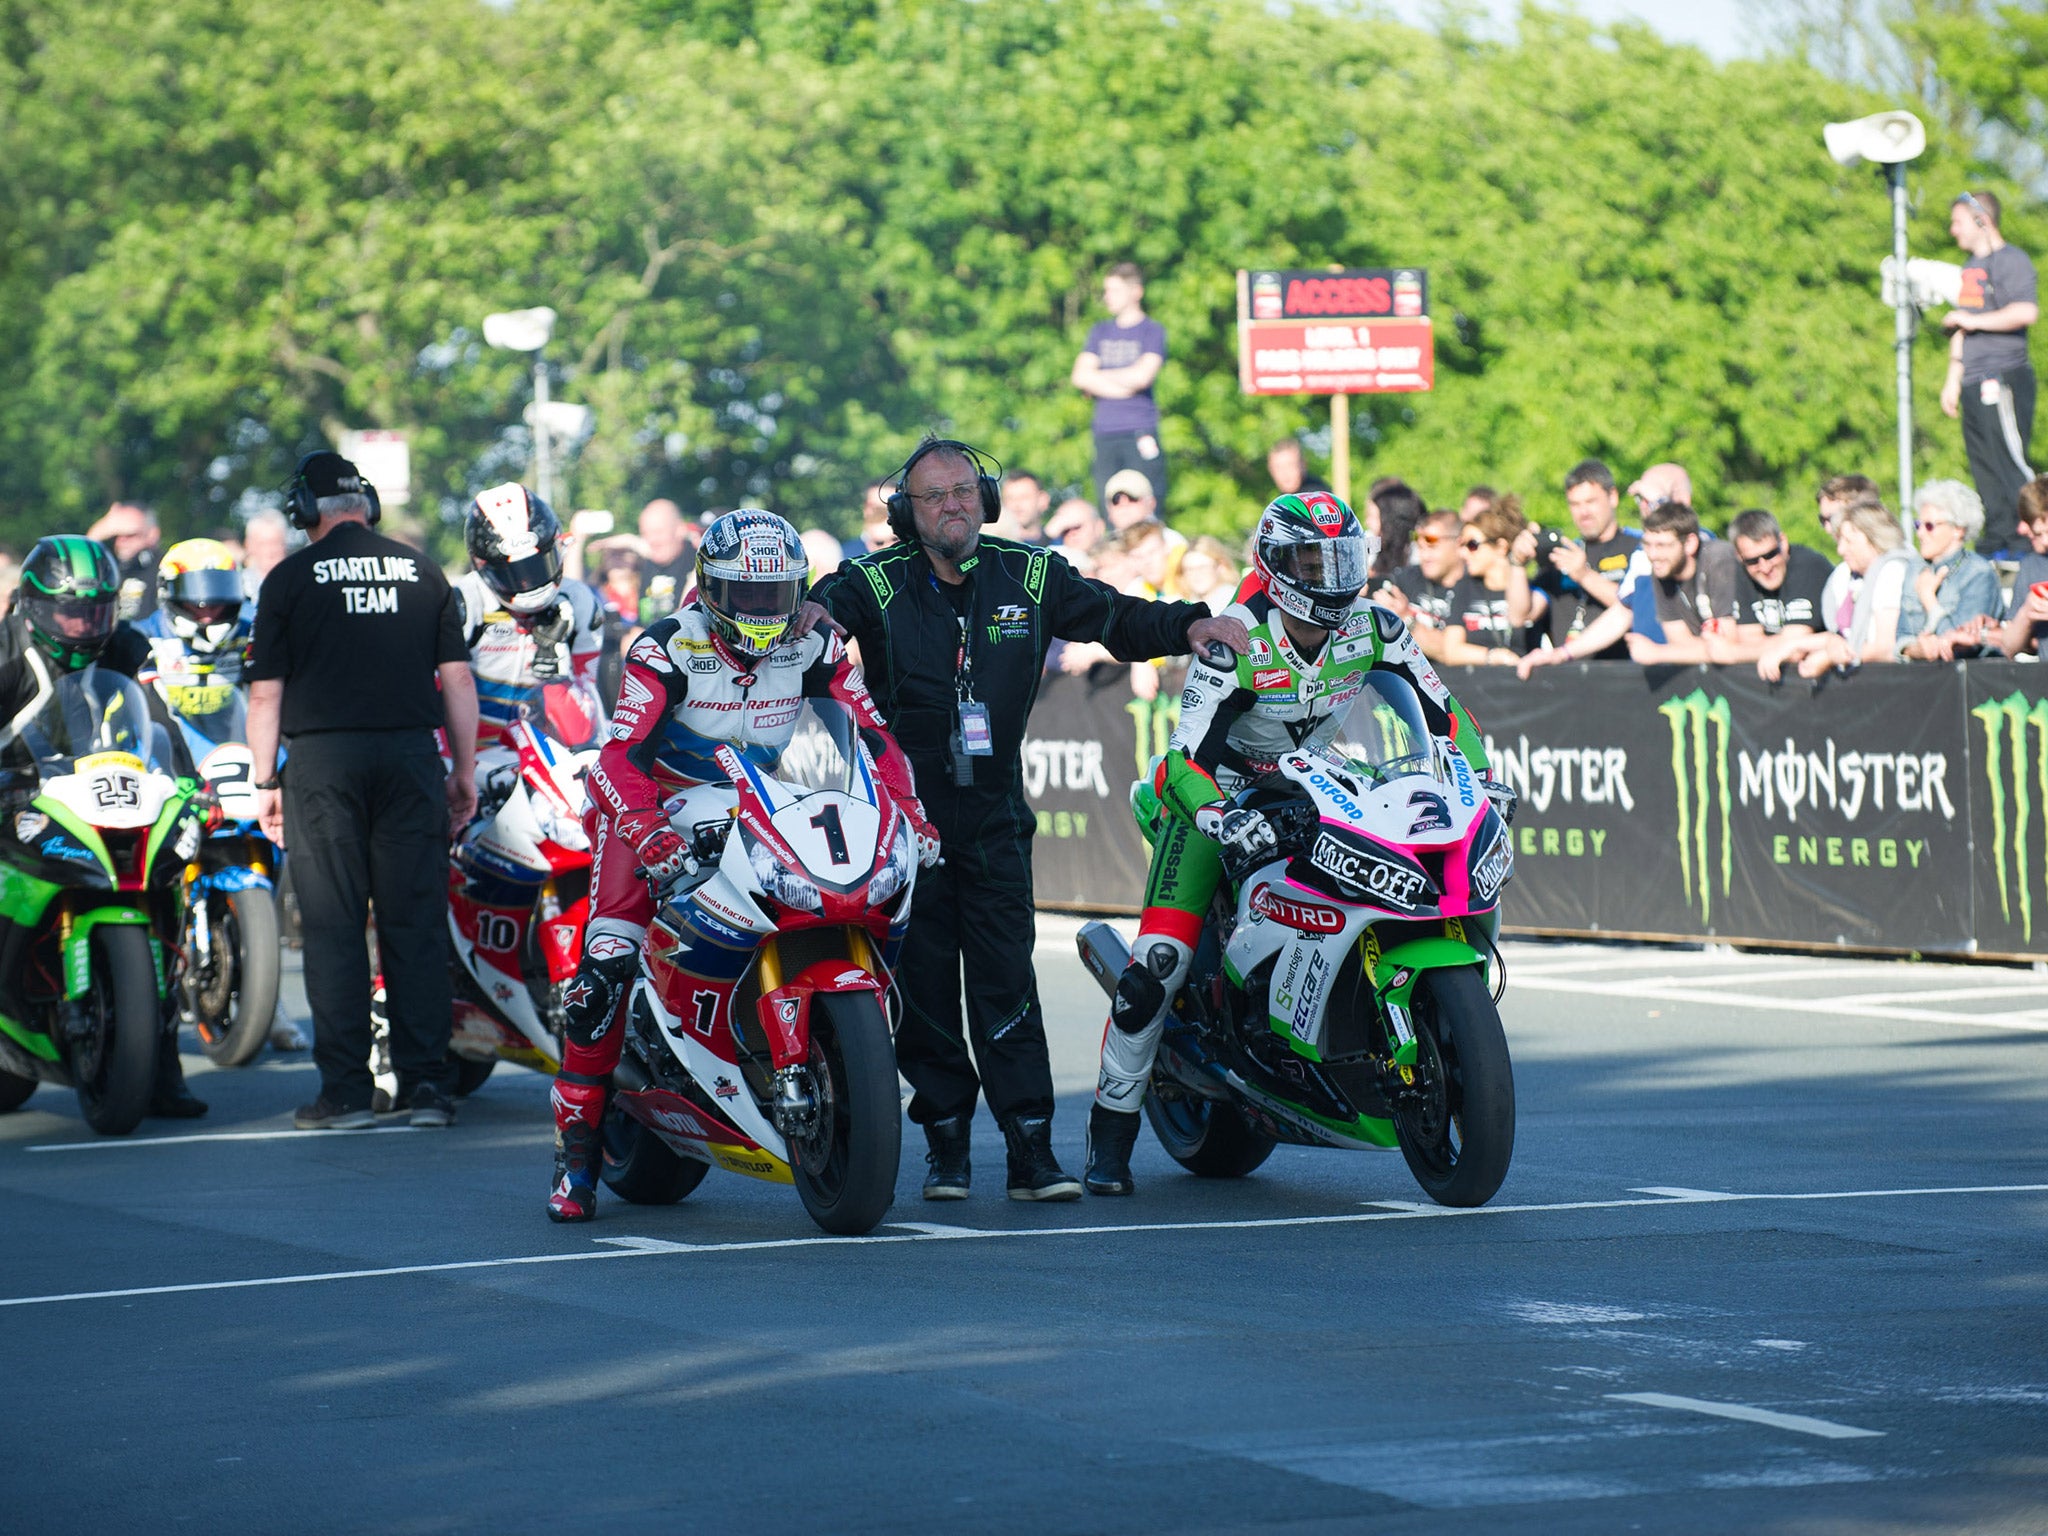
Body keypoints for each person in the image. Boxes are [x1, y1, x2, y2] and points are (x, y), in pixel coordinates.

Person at [814, 438, 1245, 1203]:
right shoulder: (874, 582)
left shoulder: (1033, 571)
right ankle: (946, 1145)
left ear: (986, 496)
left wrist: (1190, 626)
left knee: (1007, 979)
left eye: (963, 490)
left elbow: (1115, 615)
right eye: (932, 495)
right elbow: (827, 607)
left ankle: (1030, 1151)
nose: (952, 504)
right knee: (922, 985)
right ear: (904, 513)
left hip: (994, 817)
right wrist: (808, 615)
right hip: (900, 822)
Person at [1084, 490, 1506, 1196]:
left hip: (1317, 780)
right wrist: (1219, 816)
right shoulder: (1233, 641)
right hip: (1215, 796)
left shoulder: (1377, 630)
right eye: (1314, 559)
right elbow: (1186, 756)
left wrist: (1483, 779)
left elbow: (1445, 715)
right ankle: (1110, 1133)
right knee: (1158, 961)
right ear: (1277, 565)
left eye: (1344, 557)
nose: (1332, 574)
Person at [544, 510, 934, 1222]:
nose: (764, 612)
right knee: (604, 964)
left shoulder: (813, 641)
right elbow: (618, 755)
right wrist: (644, 826)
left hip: (777, 801)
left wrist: (908, 810)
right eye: (747, 596)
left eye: (778, 595)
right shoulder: (664, 648)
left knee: (863, 891)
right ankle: (576, 1155)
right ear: (710, 589)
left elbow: (871, 736)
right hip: (661, 808)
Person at [245, 451, 479, 1132]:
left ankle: (345, 1094)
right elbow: (458, 683)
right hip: (411, 758)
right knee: (415, 925)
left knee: (335, 927)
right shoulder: (421, 569)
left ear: (305, 512)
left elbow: (265, 692)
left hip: (323, 765)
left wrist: (265, 779)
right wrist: (460, 771)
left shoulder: (287, 579)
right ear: (365, 503)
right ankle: (428, 1089)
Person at [2, 536, 208, 1115]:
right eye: (70, 611)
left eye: (96, 610)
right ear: (35, 607)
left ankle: (160, 1067)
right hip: (14, 789)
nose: (83, 624)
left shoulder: (123, 645)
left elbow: (158, 720)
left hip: (97, 785)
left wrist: (189, 782)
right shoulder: (4, 653)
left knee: (160, 879)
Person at [454, 483, 607, 747]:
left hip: (545, 749)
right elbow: (438, 693)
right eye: (513, 573)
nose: (529, 583)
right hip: (471, 753)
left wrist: (558, 677)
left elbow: (586, 722)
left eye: (537, 566)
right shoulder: (464, 601)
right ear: (482, 567)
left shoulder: (581, 602)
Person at [1941, 190, 2038, 554]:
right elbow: (1961, 328)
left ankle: (2029, 534)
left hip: (2003, 375)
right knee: (1983, 464)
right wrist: (1953, 377)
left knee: (2009, 462)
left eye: (1958, 221)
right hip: (1972, 378)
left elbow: (2026, 311)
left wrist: (1972, 319)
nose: (1953, 231)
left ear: (1983, 220)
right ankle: (1999, 536)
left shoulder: (2011, 260)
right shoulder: (1970, 269)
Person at [1759, 504, 1917, 680]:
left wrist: (1829, 657)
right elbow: (1844, 637)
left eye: (1849, 541)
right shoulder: (1855, 577)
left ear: (1875, 539)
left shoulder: (1892, 571)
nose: (1841, 550)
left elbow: (1886, 647)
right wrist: (1789, 647)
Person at [1073, 262, 1169, 512]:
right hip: (1105, 431)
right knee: (1108, 506)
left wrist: (1100, 378)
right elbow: (1080, 376)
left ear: (1136, 291)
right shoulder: (1100, 331)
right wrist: (1125, 382)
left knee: (1147, 503)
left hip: (1139, 429)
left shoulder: (1151, 331)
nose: (1107, 297)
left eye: (1114, 290)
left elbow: (1142, 377)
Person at [1536, 459, 1639, 658]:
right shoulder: (1562, 554)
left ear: (1613, 497)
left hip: (1624, 675)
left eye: (1591, 502)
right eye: (1575, 504)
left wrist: (1584, 576)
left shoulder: (1639, 547)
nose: (1583, 512)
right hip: (1567, 675)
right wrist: (1516, 562)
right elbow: (1524, 613)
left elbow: (1639, 606)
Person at [1897, 480, 2002, 660]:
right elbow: (1901, 638)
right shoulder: (1914, 568)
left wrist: (1929, 599)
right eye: (1917, 525)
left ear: (1958, 530)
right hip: (1918, 678)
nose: (1920, 533)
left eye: (1929, 526)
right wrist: (1918, 650)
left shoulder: (1979, 574)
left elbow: (1963, 645)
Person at [1712, 509, 1830, 663]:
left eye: (1770, 554)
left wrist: (1731, 653)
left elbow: (1794, 649)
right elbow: (1749, 640)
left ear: (1783, 542)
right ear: (1739, 557)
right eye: (1753, 560)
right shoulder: (1739, 574)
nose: (1765, 567)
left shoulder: (1809, 566)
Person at [1439, 501, 1537, 665]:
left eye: (1472, 545)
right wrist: (1495, 657)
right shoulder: (1464, 588)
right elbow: (1451, 651)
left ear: (1501, 547)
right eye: (1461, 545)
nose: (1462, 553)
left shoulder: (1532, 588)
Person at [1374, 507, 1463, 643]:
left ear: (1458, 543)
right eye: (1420, 547)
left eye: (1432, 547)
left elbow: (1451, 651)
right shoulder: (1406, 578)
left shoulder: (1473, 589)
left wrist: (1406, 619)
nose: (1425, 556)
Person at [1988, 476, 2048, 658]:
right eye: (2038, 533)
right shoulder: (2031, 565)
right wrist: (2027, 613)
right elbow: (2008, 647)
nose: (2045, 541)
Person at [1815, 474, 1883, 629]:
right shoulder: (1840, 576)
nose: (1828, 529)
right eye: (1823, 520)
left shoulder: (1898, 564)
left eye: (1832, 518)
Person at [87, 502, 162, 621]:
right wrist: (94, 536)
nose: (122, 541)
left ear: (152, 534)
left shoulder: (165, 568)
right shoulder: (111, 570)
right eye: (116, 536)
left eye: (130, 535)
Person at [633, 499, 698, 626]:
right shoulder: (646, 564)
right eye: (645, 533)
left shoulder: (697, 562)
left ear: (680, 529)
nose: (651, 540)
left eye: (658, 532)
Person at [1175, 535, 1241, 613]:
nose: (1196, 574)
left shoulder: (1234, 602)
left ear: (1220, 566)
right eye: (1189, 569)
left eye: (1202, 567)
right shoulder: (1185, 605)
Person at [241, 511, 292, 609]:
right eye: (263, 544)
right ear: (248, 546)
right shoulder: (239, 585)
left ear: (284, 545)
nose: (270, 551)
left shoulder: (297, 582)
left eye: (275, 543)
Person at [1044, 496, 1107, 567]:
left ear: (1099, 527)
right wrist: (1047, 535)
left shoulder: (1117, 556)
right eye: (1065, 530)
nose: (1072, 533)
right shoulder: (1058, 558)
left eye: (1077, 526)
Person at [843, 480, 897, 561]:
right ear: (865, 508)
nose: (885, 515)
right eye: (877, 509)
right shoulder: (844, 555)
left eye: (891, 508)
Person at [994, 471, 1051, 543]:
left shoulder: (1062, 543)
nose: (1016, 504)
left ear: (1043, 500)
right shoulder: (997, 545)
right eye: (1010, 498)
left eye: (1024, 497)